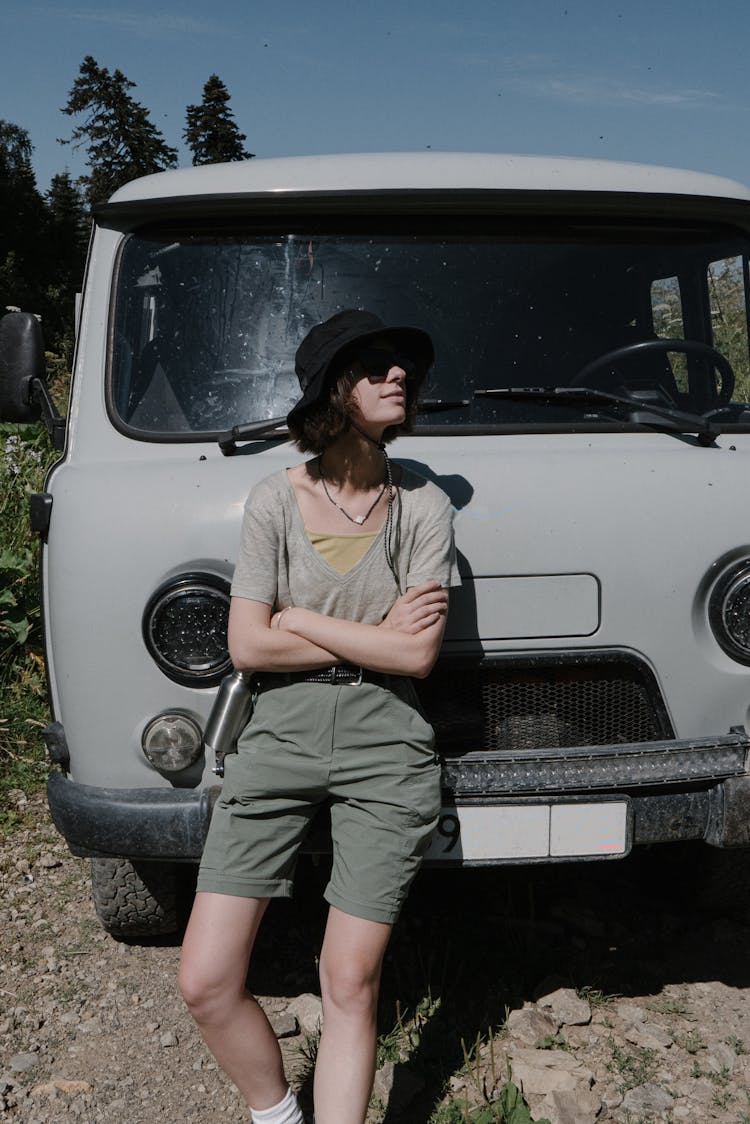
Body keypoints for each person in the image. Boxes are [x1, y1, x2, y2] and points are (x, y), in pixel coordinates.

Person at [179, 308, 461, 1124]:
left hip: (387, 745)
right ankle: (276, 1114)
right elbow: (245, 648)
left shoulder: (425, 508)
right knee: (204, 980)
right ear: (334, 392)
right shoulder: (274, 499)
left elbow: (415, 659)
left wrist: (297, 620)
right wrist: (367, 635)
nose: (397, 377)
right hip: (277, 739)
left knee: (349, 981)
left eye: (403, 367)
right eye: (375, 367)